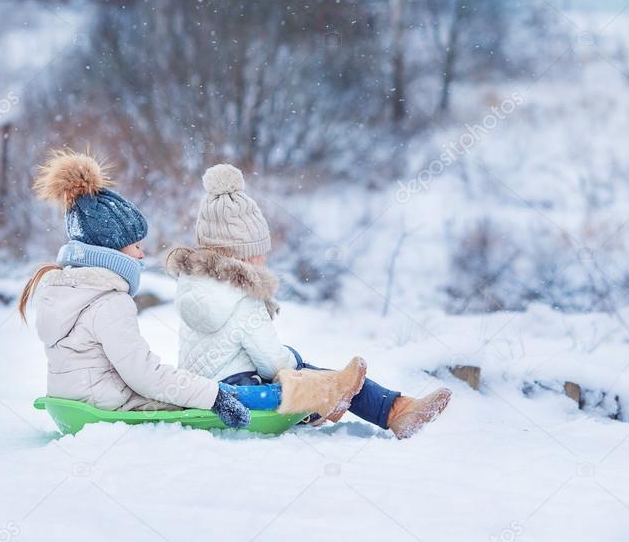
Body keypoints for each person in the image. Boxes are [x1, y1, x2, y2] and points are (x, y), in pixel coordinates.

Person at [19, 150, 364, 430]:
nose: (141, 255)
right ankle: (317, 396)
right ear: (109, 251)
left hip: (73, 402)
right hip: (108, 403)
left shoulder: (64, 290)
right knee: (244, 392)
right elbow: (144, 376)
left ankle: (327, 393)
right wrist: (214, 396)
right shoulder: (109, 304)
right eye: (135, 247)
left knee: (201, 383)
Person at [167, 163, 452, 439]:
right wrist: (299, 361)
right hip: (244, 391)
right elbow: (272, 363)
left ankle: (393, 408)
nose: (263, 259)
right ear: (242, 255)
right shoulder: (244, 294)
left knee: (328, 378)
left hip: (202, 390)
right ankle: (396, 411)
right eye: (258, 252)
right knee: (330, 379)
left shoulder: (195, 285)